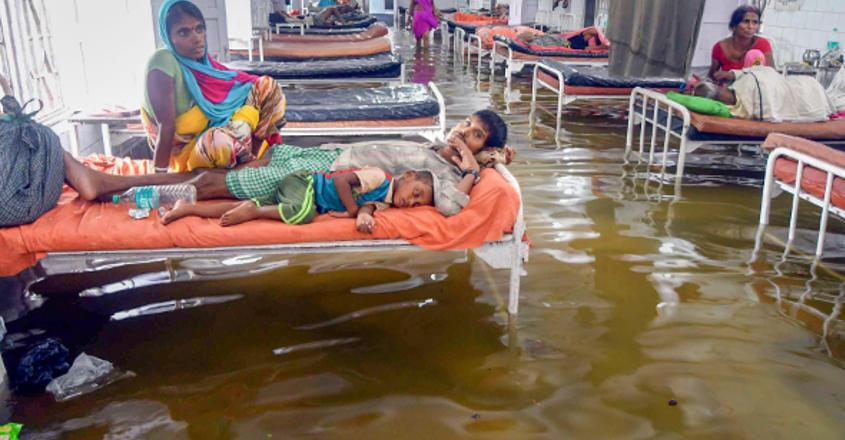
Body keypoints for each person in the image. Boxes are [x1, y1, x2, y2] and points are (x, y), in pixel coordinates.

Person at [62, 110, 512, 218]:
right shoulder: (438, 148)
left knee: (218, 183)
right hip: (329, 158)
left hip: (323, 174)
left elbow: (455, 209)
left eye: (473, 133)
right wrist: (466, 149)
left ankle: (106, 186)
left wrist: (474, 165)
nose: (460, 131)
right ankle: (111, 183)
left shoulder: (451, 175)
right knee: (223, 177)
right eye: (465, 123)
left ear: (480, 148)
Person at [143, 0, 286, 174]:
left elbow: (249, 88)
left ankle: (252, 158)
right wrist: (158, 178)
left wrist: (244, 122)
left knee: (268, 87)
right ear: (168, 37)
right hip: (190, 154)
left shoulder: (205, 65)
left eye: (199, 28)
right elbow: (167, 127)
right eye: (183, 32)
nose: (196, 37)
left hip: (226, 133)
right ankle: (245, 164)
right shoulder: (163, 60)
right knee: (217, 142)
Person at [161, 168, 434, 233]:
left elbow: (368, 204)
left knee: (241, 206)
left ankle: (188, 208)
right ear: (408, 176)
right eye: (417, 193)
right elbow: (341, 181)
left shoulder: (386, 199)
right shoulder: (380, 177)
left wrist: (365, 215)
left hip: (303, 194)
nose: (411, 202)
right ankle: (254, 212)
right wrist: (352, 212)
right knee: (304, 215)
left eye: (418, 205)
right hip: (306, 184)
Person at [693, 66, 833, 122]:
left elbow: (767, 72)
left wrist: (732, 74)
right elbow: (770, 113)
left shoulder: (746, 81)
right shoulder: (738, 105)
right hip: (804, 89)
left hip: (806, 88)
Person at [708, 5, 775, 84]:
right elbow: (712, 76)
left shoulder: (763, 45)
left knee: (754, 54)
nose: (750, 26)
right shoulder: (719, 47)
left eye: (755, 22)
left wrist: (734, 75)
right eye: (746, 21)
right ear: (734, 26)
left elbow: (772, 75)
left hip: (754, 92)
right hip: (727, 91)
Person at [517, 27, 609, 50]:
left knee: (592, 31)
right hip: (569, 46)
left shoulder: (539, 37)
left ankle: (603, 40)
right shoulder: (534, 44)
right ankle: (604, 46)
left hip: (567, 40)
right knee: (585, 47)